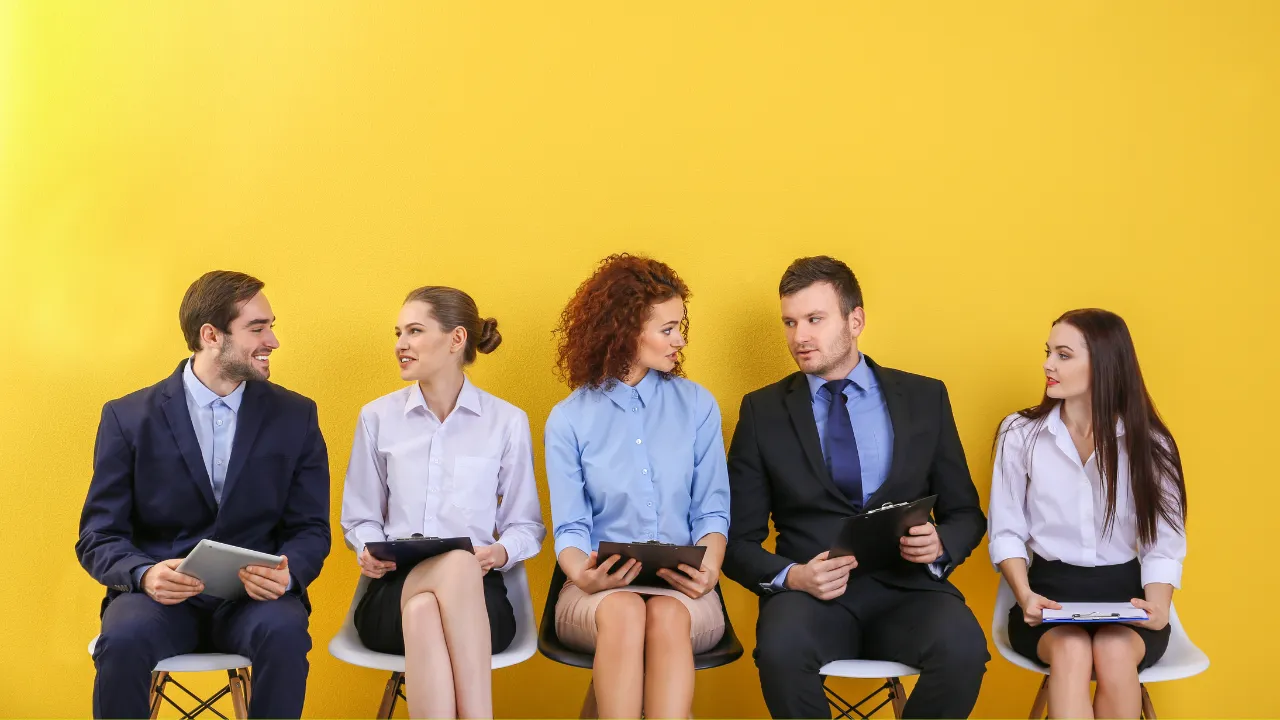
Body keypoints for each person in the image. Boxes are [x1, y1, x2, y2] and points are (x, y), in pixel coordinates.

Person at [722, 255, 989, 719]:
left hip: (912, 593)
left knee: (963, 649)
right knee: (781, 652)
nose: (798, 336)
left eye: (814, 319)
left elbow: (966, 513)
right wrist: (793, 576)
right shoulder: (761, 412)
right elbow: (736, 543)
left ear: (855, 320)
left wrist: (941, 543)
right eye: (789, 322)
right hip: (809, 599)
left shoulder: (926, 398)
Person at [76, 270, 331, 719]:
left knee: (287, 632)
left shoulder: (297, 415)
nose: (272, 340)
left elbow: (310, 529)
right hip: (157, 602)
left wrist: (288, 576)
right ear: (210, 335)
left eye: (271, 325)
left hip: (256, 603)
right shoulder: (127, 417)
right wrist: (144, 574)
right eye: (257, 328)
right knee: (122, 638)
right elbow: (98, 535)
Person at [340, 286, 545, 719]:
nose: (401, 344)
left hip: (480, 597)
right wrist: (368, 548)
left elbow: (526, 524)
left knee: (427, 611)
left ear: (456, 340)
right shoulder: (376, 417)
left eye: (414, 331)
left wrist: (501, 551)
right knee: (452, 567)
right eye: (398, 332)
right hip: (392, 590)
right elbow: (360, 517)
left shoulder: (506, 421)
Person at [544, 254, 731, 719]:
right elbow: (570, 526)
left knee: (665, 616)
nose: (680, 340)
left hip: (686, 594)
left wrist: (708, 569)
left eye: (679, 326)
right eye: (667, 329)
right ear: (625, 330)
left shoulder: (698, 406)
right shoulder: (569, 418)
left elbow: (712, 511)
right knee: (626, 611)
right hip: (596, 596)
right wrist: (581, 575)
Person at [989, 308, 1188, 718]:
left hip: (1126, 595)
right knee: (1071, 648)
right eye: (1048, 352)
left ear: (1104, 364)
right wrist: (1024, 595)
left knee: (1114, 651)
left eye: (1064, 355)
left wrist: (1158, 606)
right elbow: (1006, 530)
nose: (1047, 364)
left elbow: (1163, 545)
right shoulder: (1020, 433)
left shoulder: (1151, 443)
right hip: (1048, 594)